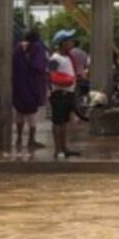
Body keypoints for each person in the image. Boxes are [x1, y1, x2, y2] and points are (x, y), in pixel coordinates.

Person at [13, 29, 48, 151]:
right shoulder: (38, 48)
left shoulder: (17, 48)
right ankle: (31, 140)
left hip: (18, 84)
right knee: (32, 113)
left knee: (20, 112)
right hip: (32, 84)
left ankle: (18, 139)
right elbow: (38, 67)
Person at [48, 30, 81, 160]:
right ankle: (58, 150)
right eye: (69, 41)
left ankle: (64, 148)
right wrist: (66, 80)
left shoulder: (68, 57)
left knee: (64, 123)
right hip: (59, 93)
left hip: (68, 93)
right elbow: (50, 75)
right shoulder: (55, 58)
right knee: (58, 122)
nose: (72, 43)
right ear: (62, 43)